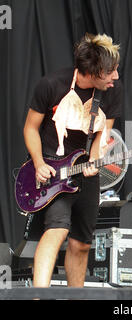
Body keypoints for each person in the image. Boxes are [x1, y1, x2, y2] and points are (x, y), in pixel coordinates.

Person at [23, 33, 122, 287]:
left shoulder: (111, 92)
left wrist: (95, 159)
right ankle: (39, 295)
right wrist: (38, 163)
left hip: (85, 170)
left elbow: (104, 135)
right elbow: (30, 129)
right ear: (95, 70)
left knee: (81, 243)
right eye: (111, 71)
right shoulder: (52, 85)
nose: (116, 77)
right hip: (52, 171)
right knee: (57, 229)